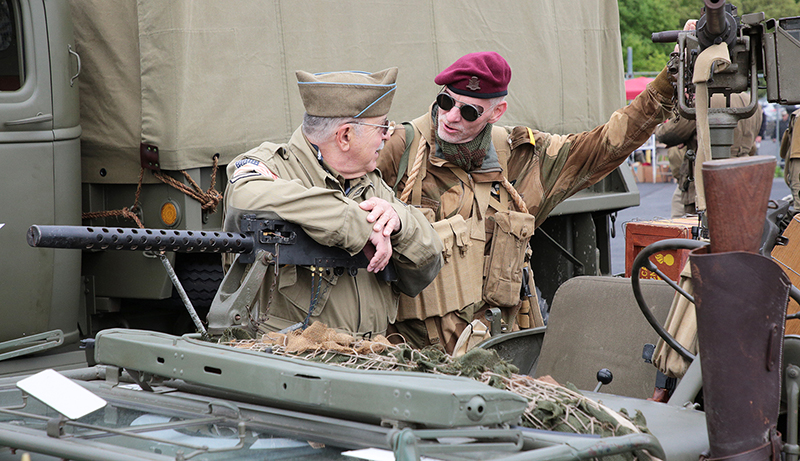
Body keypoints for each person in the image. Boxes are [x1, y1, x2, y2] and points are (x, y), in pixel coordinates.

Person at [377, 51, 678, 352]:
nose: (451, 116)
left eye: (470, 112)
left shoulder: (521, 158)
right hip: (414, 353)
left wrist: (667, 83)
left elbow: (604, 145)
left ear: (497, 112)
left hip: (501, 347)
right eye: (445, 102)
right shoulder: (398, 149)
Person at [223, 68, 444, 337]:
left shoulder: (369, 182)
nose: (388, 135)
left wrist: (398, 223)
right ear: (345, 136)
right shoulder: (273, 165)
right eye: (383, 126)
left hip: (371, 358)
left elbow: (427, 265)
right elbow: (244, 196)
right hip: (292, 360)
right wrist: (356, 223)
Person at [656, 92, 762, 218]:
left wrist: (659, 129)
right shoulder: (752, 101)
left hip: (708, 175)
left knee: (700, 229)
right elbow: (750, 144)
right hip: (743, 173)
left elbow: (671, 133)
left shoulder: (706, 98)